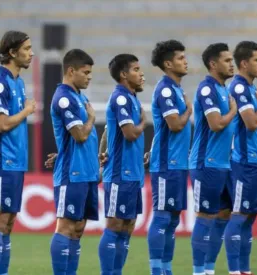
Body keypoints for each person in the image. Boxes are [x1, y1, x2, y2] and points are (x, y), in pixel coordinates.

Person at [0, 30, 36, 275]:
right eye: (26, 49)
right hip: (2, 162)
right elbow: (2, 124)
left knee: (9, 222)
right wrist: (27, 111)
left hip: (15, 163)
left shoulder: (18, 82)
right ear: (12, 53)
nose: (31, 53)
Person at [49, 48, 98, 275]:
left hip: (87, 171)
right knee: (66, 227)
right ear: (71, 71)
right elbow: (80, 135)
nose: (89, 76)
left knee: (78, 228)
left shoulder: (79, 96)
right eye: (85, 72)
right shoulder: (64, 98)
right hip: (72, 173)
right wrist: (90, 118)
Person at [188, 43, 236, 275]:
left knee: (224, 214)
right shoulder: (207, 89)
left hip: (223, 164)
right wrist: (233, 112)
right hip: (206, 162)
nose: (231, 64)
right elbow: (216, 124)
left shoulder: (223, 89)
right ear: (213, 64)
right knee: (206, 216)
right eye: (227, 60)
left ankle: (209, 269)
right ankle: (198, 271)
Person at [145, 40, 192, 275]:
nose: (185, 61)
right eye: (180, 57)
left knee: (173, 220)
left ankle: (165, 269)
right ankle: (157, 270)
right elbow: (174, 125)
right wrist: (188, 111)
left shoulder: (174, 90)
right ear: (168, 63)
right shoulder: (165, 89)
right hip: (166, 163)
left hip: (178, 163)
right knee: (163, 217)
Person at [99, 54, 145, 275]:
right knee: (115, 225)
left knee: (127, 227)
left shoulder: (131, 98)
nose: (141, 73)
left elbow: (109, 130)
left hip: (133, 173)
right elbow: (128, 133)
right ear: (124, 75)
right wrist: (144, 123)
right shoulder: (120, 98)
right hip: (120, 173)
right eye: (136, 69)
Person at [224, 41, 257, 275]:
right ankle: (234, 270)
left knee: (249, 216)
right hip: (244, 161)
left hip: (256, 161)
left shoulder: (248, 88)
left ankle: (244, 270)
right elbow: (251, 123)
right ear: (244, 63)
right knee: (239, 215)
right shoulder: (239, 88)